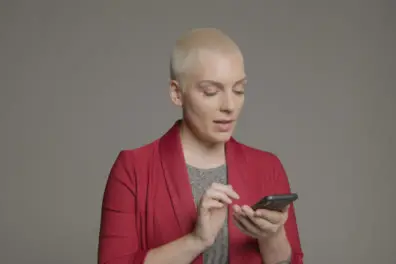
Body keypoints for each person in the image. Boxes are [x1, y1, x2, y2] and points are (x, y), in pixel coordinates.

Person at [97, 28, 303, 264]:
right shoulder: (133, 169)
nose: (229, 105)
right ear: (177, 93)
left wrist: (272, 236)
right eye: (211, 91)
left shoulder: (267, 167)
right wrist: (196, 240)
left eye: (239, 90)